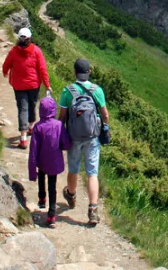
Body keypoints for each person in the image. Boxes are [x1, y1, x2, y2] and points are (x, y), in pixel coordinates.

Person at [58, 58, 109, 224]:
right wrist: (105, 128)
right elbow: (105, 114)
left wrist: (59, 135)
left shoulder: (68, 91)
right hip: (92, 136)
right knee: (92, 173)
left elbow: (62, 117)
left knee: (73, 168)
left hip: (73, 136)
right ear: (89, 72)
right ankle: (93, 210)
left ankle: (71, 195)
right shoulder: (97, 91)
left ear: (74, 72)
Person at [2, 27, 52, 149]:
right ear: (29, 39)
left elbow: (6, 65)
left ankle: (23, 139)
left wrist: (5, 72)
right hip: (33, 85)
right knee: (32, 105)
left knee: (22, 109)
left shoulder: (14, 51)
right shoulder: (36, 51)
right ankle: (30, 128)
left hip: (18, 85)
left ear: (19, 38)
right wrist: (47, 85)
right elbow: (42, 69)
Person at [29, 96, 70, 228]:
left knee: (41, 176)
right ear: (54, 110)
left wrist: (31, 171)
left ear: (40, 110)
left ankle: (42, 199)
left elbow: (33, 150)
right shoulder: (58, 125)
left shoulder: (37, 127)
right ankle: (52, 215)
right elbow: (66, 144)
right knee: (52, 186)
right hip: (54, 161)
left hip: (42, 161)